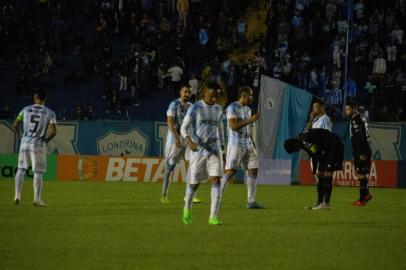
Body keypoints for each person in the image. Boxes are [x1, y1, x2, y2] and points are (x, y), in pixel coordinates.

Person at [180, 82, 224, 225]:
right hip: (198, 151)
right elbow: (183, 128)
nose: (214, 100)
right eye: (212, 96)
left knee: (216, 180)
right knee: (194, 184)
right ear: (205, 93)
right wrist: (189, 141)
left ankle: (213, 217)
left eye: (216, 97)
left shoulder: (218, 109)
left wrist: (223, 145)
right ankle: (187, 207)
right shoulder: (195, 108)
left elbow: (219, 128)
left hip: (215, 150)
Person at [220, 86, 264, 209]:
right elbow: (233, 126)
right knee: (231, 171)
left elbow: (247, 128)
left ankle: (251, 201)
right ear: (243, 95)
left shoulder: (248, 109)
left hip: (248, 143)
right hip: (236, 144)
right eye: (250, 94)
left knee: (254, 169)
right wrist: (251, 120)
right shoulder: (232, 107)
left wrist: (252, 142)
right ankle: (217, 197)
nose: (252, 97)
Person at [13, 89, 57, 207]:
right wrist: (45, 140)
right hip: (38, 144)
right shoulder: (50, 112)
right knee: (38, 172)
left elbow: (15, 124)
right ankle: (36, 199)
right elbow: (53, 131)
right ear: (45, 98)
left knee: (21, 169)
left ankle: (17, 196)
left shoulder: (25, 109)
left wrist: (21, 135)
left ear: (35, 97)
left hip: (25, 143)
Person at [284, 128, 344, 210]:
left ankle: (325, 203)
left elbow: (318, 153)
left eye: (294, 150)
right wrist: (315, 171)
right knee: (321, 175)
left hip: (334, 145)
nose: (297, 151)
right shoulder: (301, 141)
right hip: (328, 148)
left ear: (294, 144)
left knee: (326, 173)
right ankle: (319, 203)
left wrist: (319, 170)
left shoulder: (305, 141)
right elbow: (314, 155)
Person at [161, 85, 202, 204]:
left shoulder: (191, 106)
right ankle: (164, 195)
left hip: (187, 138)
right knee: (170, 167)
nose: (187, 94)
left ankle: (190, 195)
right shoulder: (174, 104)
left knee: (194, 164)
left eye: (189, 92)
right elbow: (169, 122)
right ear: (180, 92)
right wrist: (176, 138)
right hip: (175, 139)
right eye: (185, 92)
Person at [344, 102, 373, 206]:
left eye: (348, 109)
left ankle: (361, 200)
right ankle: (367, 195)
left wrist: (362, 152)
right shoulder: (356, 119)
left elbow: (362, 136)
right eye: (345, 109)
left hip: (362, 151)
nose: (346, 111)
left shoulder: (357, 119)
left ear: (354, 109)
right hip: (360, 150)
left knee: (361, 174)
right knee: (362, 174)